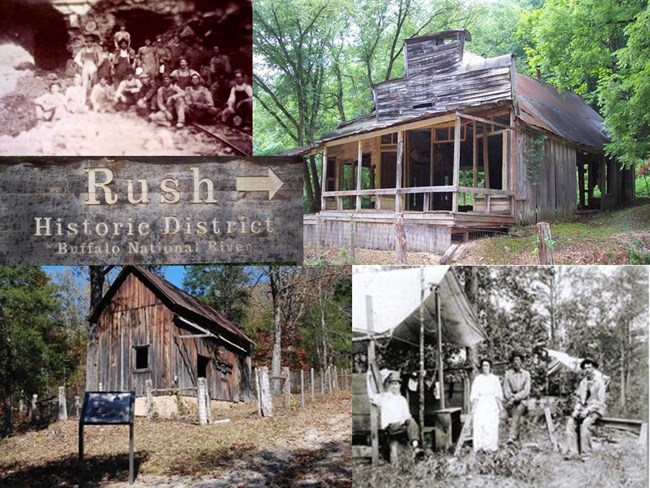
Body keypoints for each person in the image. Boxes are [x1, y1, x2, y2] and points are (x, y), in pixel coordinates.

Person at [367, 370, 422, 457]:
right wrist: (368, 378)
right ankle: (415, 447)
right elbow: (371, 396)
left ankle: (416, 447)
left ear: (400, 385)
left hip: (401, 425)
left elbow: (406, 415)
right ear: (389, 385)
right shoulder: (384, 397)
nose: (394, 386)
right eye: (392, 384)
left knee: (411, 421)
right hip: (390, 427)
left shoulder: (402, 400)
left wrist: (404, 420)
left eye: (396, 384)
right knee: (409, 422)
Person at [563, 358, 606, 461]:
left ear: (594, 368)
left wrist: (588, 410)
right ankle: (571, 452)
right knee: (570, 423)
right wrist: (577, 409)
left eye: (589, 367)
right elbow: (579, 398)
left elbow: (600, 401)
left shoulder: (599, 382)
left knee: (585, 424)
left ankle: (586, 454)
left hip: (596, 409)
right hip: (583, 409)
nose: (587, 370)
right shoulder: (583, 382)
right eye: (585, 368)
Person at [470, 358, 503, 452]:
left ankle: (491, 447)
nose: (485, 367)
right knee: (480, 424)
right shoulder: (478, 379)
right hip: (481, 403)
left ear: (490, 367)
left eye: (487, 365)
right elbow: (475, 394)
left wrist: (500, 407)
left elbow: (498, 394)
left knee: (491, 425)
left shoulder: (494, 379)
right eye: (483, 365)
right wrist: (474, 408)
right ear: (481, 367)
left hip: (491, 403)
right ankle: (479, 447)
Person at [502, 351, 531, 444]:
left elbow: (526, 391)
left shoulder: (526, 374)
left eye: (518, 360)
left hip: (523, 401)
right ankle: (516, 441)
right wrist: (511, 398)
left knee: (518, 409)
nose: (516, 362)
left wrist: (515, 398)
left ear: (521, 362)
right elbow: (506, 390)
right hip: (510, 402)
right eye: (514, 360)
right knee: (512, 412)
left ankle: (512, 436)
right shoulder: (508, 374)